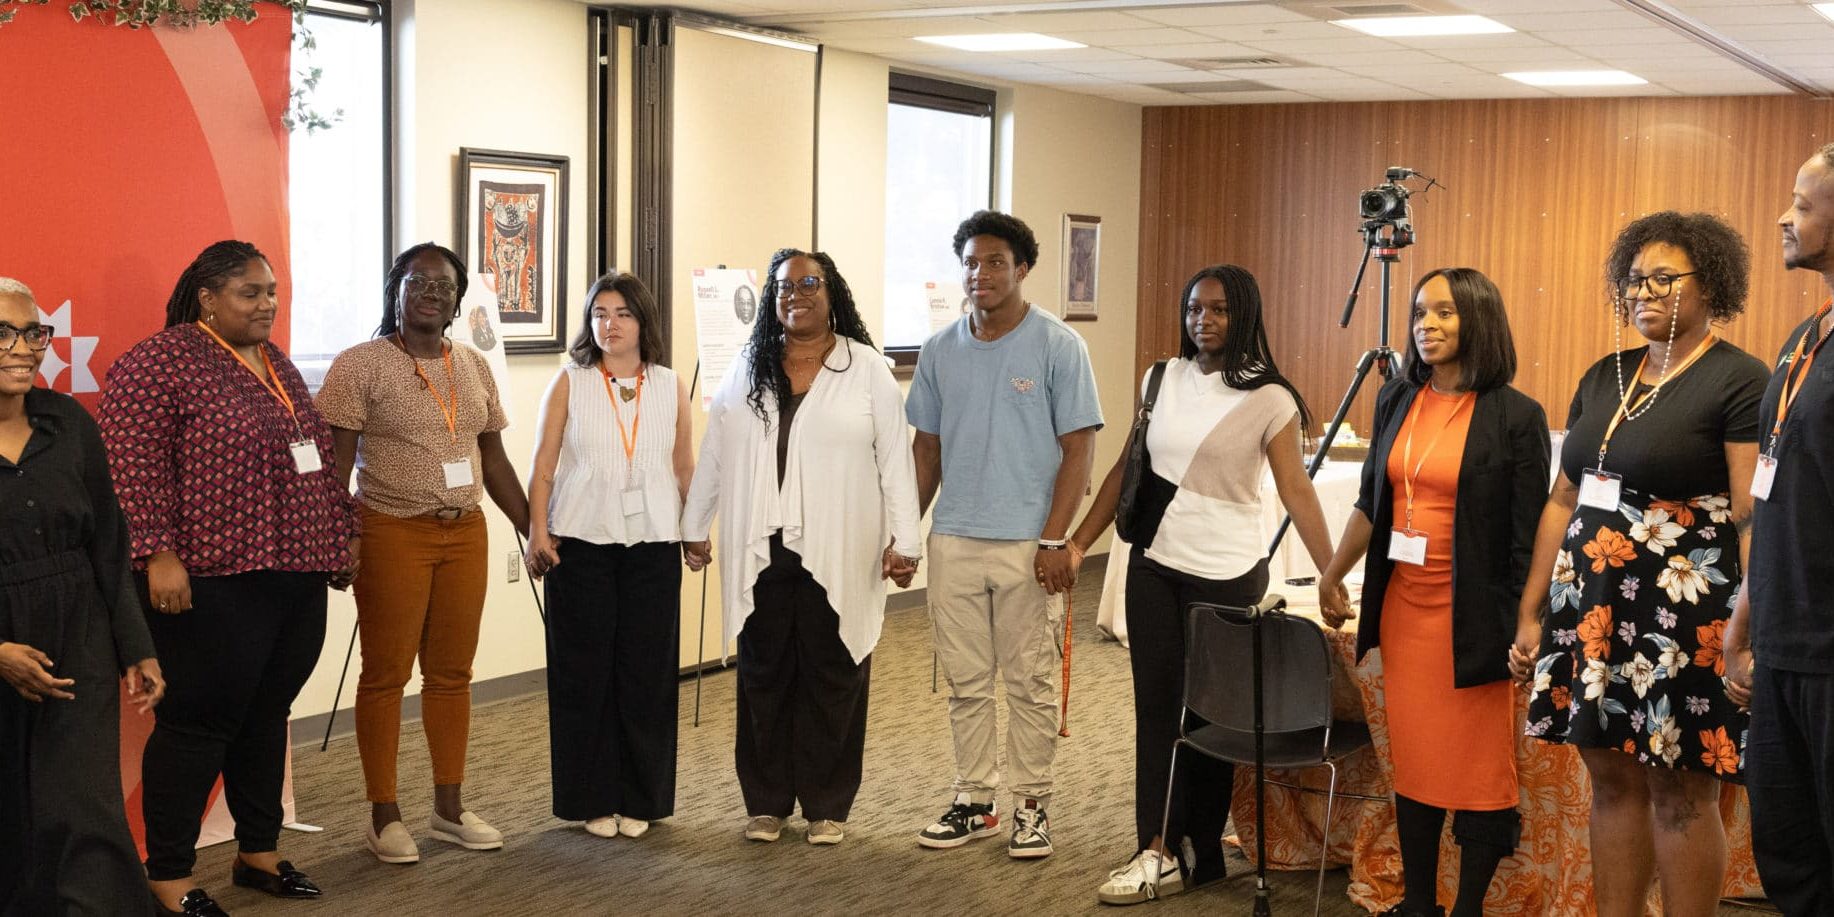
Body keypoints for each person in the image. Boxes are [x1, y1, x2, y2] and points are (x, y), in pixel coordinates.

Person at [1508, 213, 1765, 917]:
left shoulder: (1739, 378)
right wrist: (1532, 610)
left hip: (1685, 613)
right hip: (1593, 606)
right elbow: (1562, 501)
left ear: (1708, 284)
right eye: (1634, 279)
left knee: (1681, 788)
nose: (1643, 291)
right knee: (1611, 778)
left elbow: (1749, 513)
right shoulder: (1603, 375)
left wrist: (1754, 623)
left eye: (1663, 278)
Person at [1062, 265, 1344, 903]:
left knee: (1212, 716)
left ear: (1242, 314)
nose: (1202, 321)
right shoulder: (1161, 377)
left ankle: (1203, 849)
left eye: (1216, 310)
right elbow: (1126, 468)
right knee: (1157, 711)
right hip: (1154, 565)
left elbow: (1295, 488)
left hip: (1228, 573)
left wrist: (1330, 572)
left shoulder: (1272, 398)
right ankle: (1154, 848)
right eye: (1193, 309)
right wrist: (1081, 542)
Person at [99, 240, 360, 916]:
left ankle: (258, 850)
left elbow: (317, 458)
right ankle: (168, 872)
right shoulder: (158, 364)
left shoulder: (275, 362)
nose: (266, 302)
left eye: (271, 290)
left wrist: (340, 532)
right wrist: (157, 551)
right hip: (209, 577)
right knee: (196, 723)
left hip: (293, 569)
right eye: (250, 291)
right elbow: (130, 466)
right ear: (208, 296)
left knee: (265, 713)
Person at [1317, 268, 1548, 917]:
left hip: (1476, 621)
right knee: (1416, 764)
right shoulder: (1397, 397)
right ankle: (1420, 902)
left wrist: (1529, 623)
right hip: (1405, 615)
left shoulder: (1515, 416)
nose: (1427, 323)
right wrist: (1334, 571)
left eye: (1444, 311)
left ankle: (1467, 907)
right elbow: (1373, 500)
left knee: (1478, 773)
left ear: (1478, 319)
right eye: (1420, 311)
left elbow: (1530, 541)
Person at [681, 248, 919, 846]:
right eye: (785, 286)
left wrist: (907, 540)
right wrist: (694, 523)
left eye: (810, 283)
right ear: (772, 298)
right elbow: (715, 451)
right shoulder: (747, 365)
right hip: (761, 546)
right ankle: (765, 803)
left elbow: (896, 460)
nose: (797, 294)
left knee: (832, 672)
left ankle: (826, 805)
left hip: (838, 545)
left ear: (831, 292)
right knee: (763, 674)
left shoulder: (865, 369)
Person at [316, 242, 530, 864]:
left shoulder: (473, 366)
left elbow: (493, 459)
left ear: (458, 299)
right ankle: (383, 815)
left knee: (452, 674)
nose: (432, 293)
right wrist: (337, 537)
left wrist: (532, 529)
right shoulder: (361, 365)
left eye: (444, 286)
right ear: (397, 290)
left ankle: (449, 808)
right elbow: (333, 466)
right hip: (391, 531)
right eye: (419, 282)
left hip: (465, 532)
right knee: (386, 675)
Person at [907, 210, 1103, 859]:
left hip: (1026, 545)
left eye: (995, 262)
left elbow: (1079, 450)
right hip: (955, 538)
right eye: (970, 261)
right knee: (965, 680)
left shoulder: (1056, 345)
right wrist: (906, 534)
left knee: (1028, 681)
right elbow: (926, 451)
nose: (980, 273)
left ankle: (1031, 804)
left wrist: (1056, 540)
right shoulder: (940, 350)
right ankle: (974, 800)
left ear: (1022, 269)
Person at [0, 278, 163, 916]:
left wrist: (136, 646)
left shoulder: (68, 421)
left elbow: (109, 543)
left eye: (33, 333)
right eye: (3, 333)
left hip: (78, 630)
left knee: (84, 803)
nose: (23, 348)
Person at [524, 271, 692, 840]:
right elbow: (543, 464)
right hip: (582, 543)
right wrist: (537, 531)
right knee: (584, 673)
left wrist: (694, 531)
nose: (609, 324)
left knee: (646, 672)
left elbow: (683, 465)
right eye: (599, 313)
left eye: (621, 313)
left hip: (653, 544)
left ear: (643, 321)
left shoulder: (669, 384)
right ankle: (591, 796)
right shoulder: (570, 381)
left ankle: (642, 796)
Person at [1730, 142, 1834, 915]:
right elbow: (1772, 497)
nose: (1783, 218)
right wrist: (1744, 616)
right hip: (1781, 647)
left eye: (1802, 204)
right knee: (1790, 857)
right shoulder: (1803, 343)